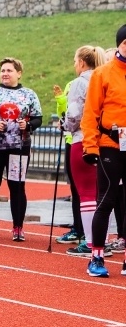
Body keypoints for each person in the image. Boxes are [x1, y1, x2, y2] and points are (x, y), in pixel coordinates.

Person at [0, 58, 43, 242]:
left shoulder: (29, 94)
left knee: (17, 187)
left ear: (19, 73)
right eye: (3, 70)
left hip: (18, 149)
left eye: (9, 70)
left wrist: (27, 125)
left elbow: (37, 118)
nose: (5, 73)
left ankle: (18, 227)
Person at [81, 25, 126, 277]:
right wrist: (90, 145)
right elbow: (91, 113)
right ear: (119, 44)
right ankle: (96, 257)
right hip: (110, 145)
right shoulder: (103, 73)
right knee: (106, 200)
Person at [63, 46, 111, 258]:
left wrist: (66, 125)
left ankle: (91, 243)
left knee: (86, 194)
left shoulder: (79, 82)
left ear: (82, 62)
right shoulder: (105, 78)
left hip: (83, 138)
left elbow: (74, 113)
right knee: (104, 195)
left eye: (75, 61)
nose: (75, 65)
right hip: (108, 141)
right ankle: (103, 242)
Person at [53, 80, 83, 244]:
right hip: (71, 140)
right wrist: (60, 100)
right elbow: (65, 112)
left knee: (88, 189)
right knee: (75, 187)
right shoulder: (72, 84)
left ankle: (88, 232)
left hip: (85, 139)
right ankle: (78, 228)